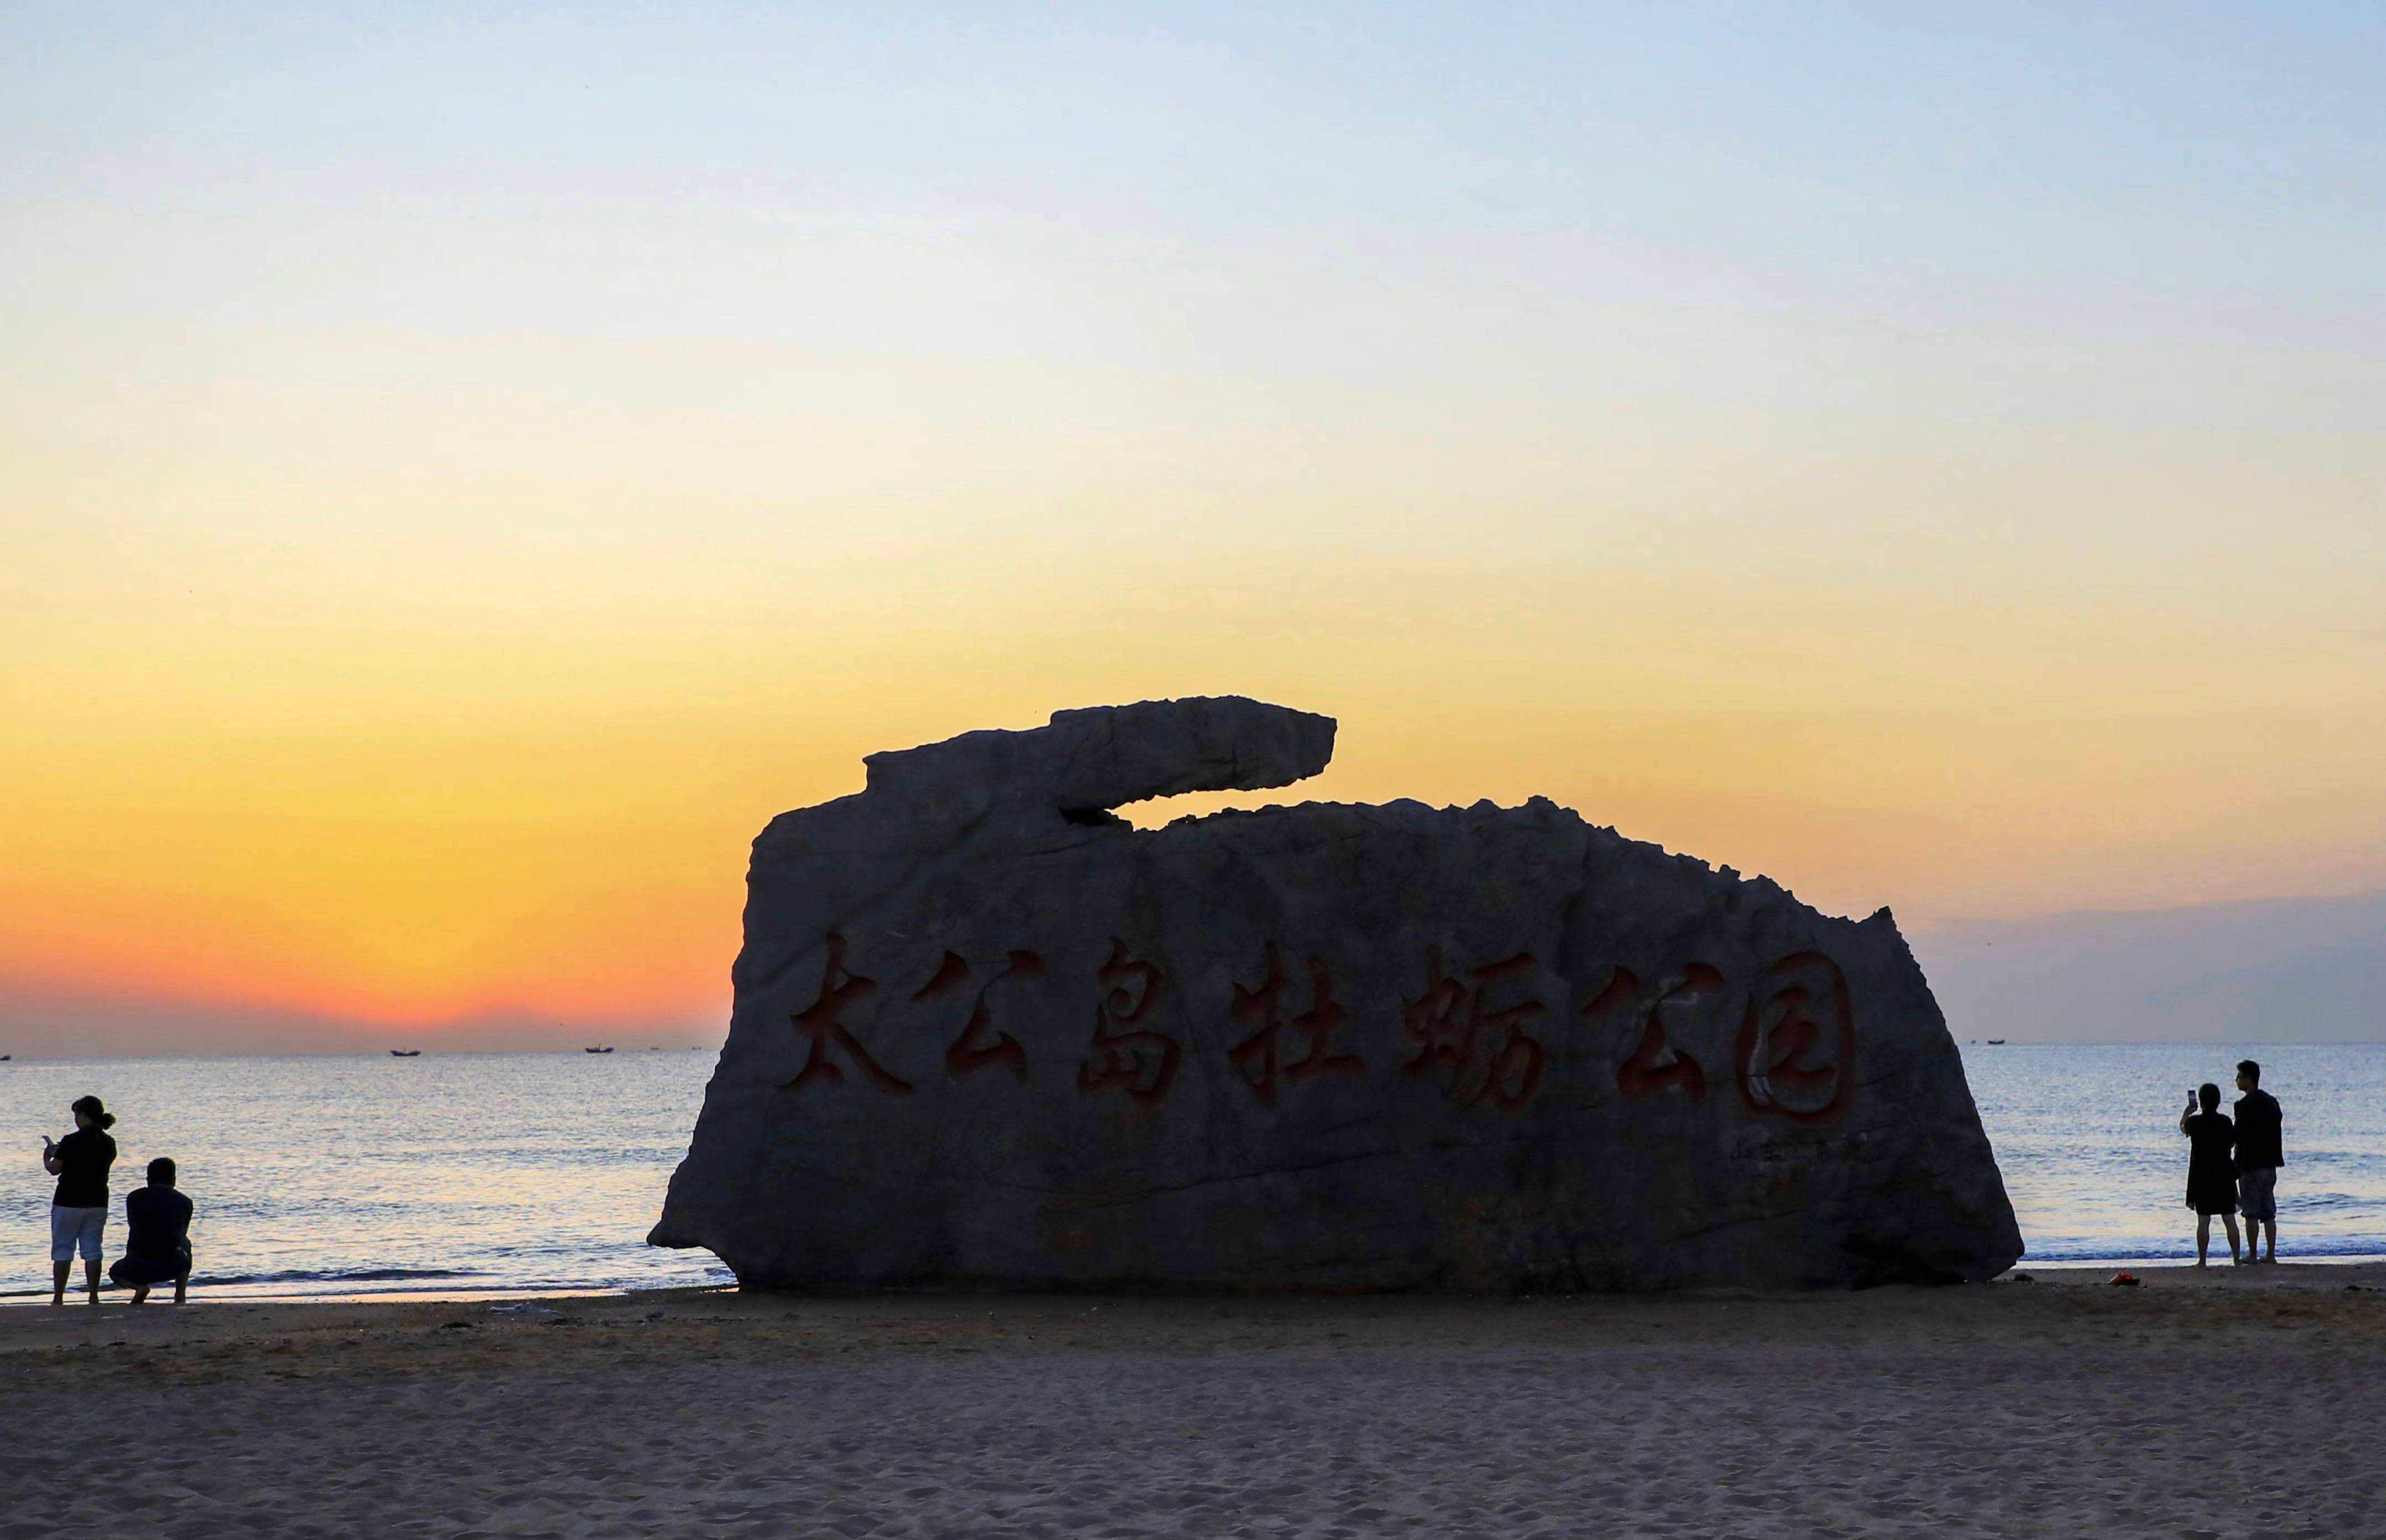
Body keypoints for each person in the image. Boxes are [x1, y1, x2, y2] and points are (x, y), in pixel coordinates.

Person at [41, 1094, 117, 1307]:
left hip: (68, 1201)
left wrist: (48, 1155)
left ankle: (58, 1298)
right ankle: (93, 1296)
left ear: (83, 1115)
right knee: (93, 1249)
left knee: (63, 1250)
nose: (75, 1118)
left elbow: (55, 1169)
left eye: (77, 1114)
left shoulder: (71, 1141)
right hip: (98, 1201)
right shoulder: (109, 1143)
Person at [109, 1157, 193, 1305]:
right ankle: (180, 1294)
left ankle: (139, 1287)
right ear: (174, 1180)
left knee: (115, 1272)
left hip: (137, 1267)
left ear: (148, 1179)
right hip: (172, 1265)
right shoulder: (185, 1202)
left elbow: (133, 1225)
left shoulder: (134, 1198)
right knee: (185, 1243)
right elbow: (182, 1232)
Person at [2178, 1082, 2241, 1267]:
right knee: (2229, 1219)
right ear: (2218, 1101)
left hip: (2202, 1174)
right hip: (2223, 1173)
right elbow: (2232, 1143)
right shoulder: (2225, 1121)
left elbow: (2183, 1128)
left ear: (2201, 1101)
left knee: (2203, 1220)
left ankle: (2203, 1260)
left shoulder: (2195, 1122)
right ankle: (2237, 1260)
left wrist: (2188, 1111)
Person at [2234, 1059, 2284, 1264]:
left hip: (2250, 1164)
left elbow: (2238, 1135)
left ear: (2248, 1079)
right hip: (2270, 1163)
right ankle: (2271, 1254)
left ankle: (2253, 1254)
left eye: (2239, 1077)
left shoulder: (2243, 1106)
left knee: (2252, 1212)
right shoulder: (2272, 1102)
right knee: (2269, 1212)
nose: (2237, 1081)